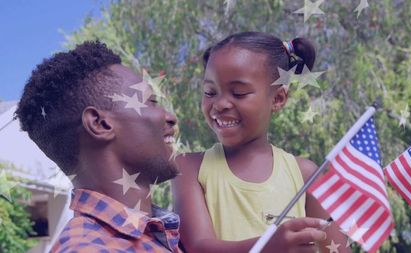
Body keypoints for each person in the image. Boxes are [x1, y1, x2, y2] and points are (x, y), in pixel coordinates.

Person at [173, 32, 349, 253]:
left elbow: (337, 249)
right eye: (210, 92)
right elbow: (198, 247)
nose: (219, 104)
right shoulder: (190, 167)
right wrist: (268, 246)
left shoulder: (305, 174)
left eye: (238, 93)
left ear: (278, 99)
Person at [15, 41, 181, 253]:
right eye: (151, 102)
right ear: (100, 124)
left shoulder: (159, 238)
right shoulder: (88, 249)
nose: (170, 117)